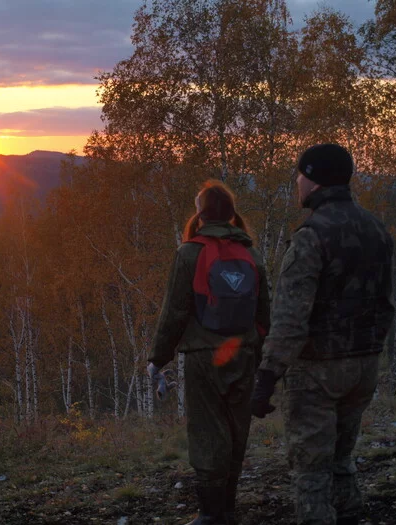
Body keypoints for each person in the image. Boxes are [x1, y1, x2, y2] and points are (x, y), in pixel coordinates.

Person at [251, 144, 395, 525]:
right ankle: (349, 515)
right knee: (341, 459)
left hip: (317, 370)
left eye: (300, 175)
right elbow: (386, 303)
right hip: (364, 364)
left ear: (313, 180)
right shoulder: (376, 229)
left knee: (311, 469)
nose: (297, 182)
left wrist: (267, 377)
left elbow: (290, 317)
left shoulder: (311, 237)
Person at [148, 180, 271, 525]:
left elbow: (174, 311)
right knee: (236, 430)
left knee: (207, 432)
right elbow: (265, 313)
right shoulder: (252, 253)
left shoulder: (189, 252)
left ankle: (209, 515)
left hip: (204, 357)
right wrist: (263, 357)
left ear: (200, 214)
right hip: (244, 354)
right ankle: (228, 511)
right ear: (231, 213)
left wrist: (158, 358)